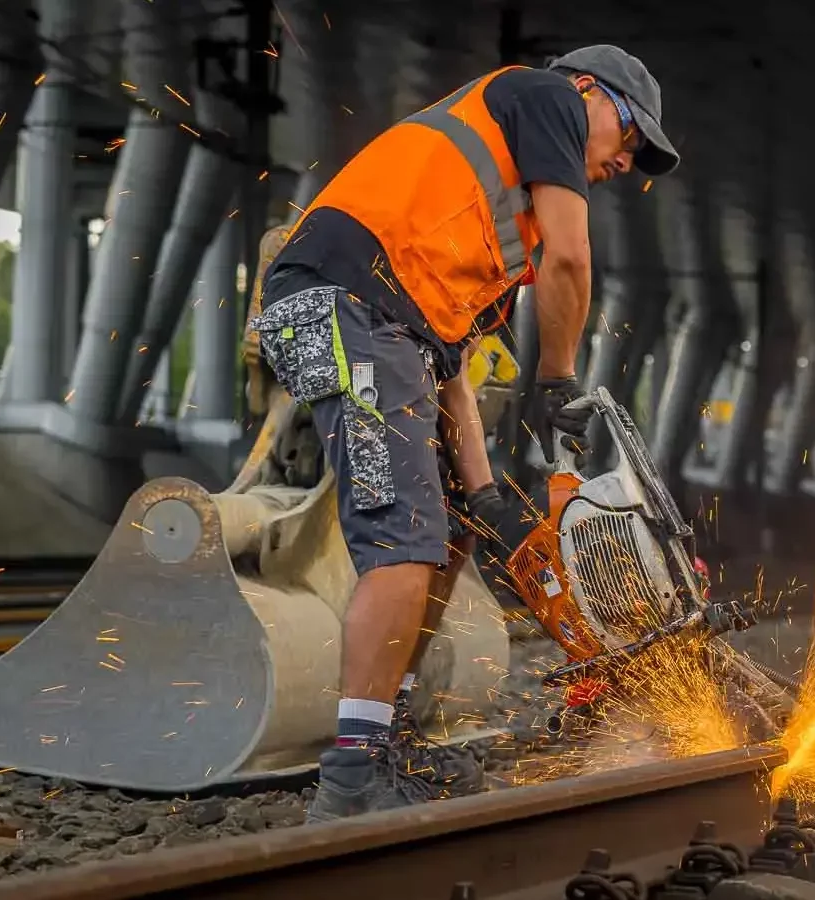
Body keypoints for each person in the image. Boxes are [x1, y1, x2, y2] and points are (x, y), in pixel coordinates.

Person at [250, 45, 680, 821]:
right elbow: (573, 262)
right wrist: (556, 378)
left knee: (445, 530)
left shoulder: (483, 238)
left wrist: (486, 495)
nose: (629, 161)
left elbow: (448, 369)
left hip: (383, 326)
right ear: (590, 91)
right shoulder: (545, 96)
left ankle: (388, 733)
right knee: (406, 534)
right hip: (344, 303)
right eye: (629, 134)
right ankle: (353, 773)